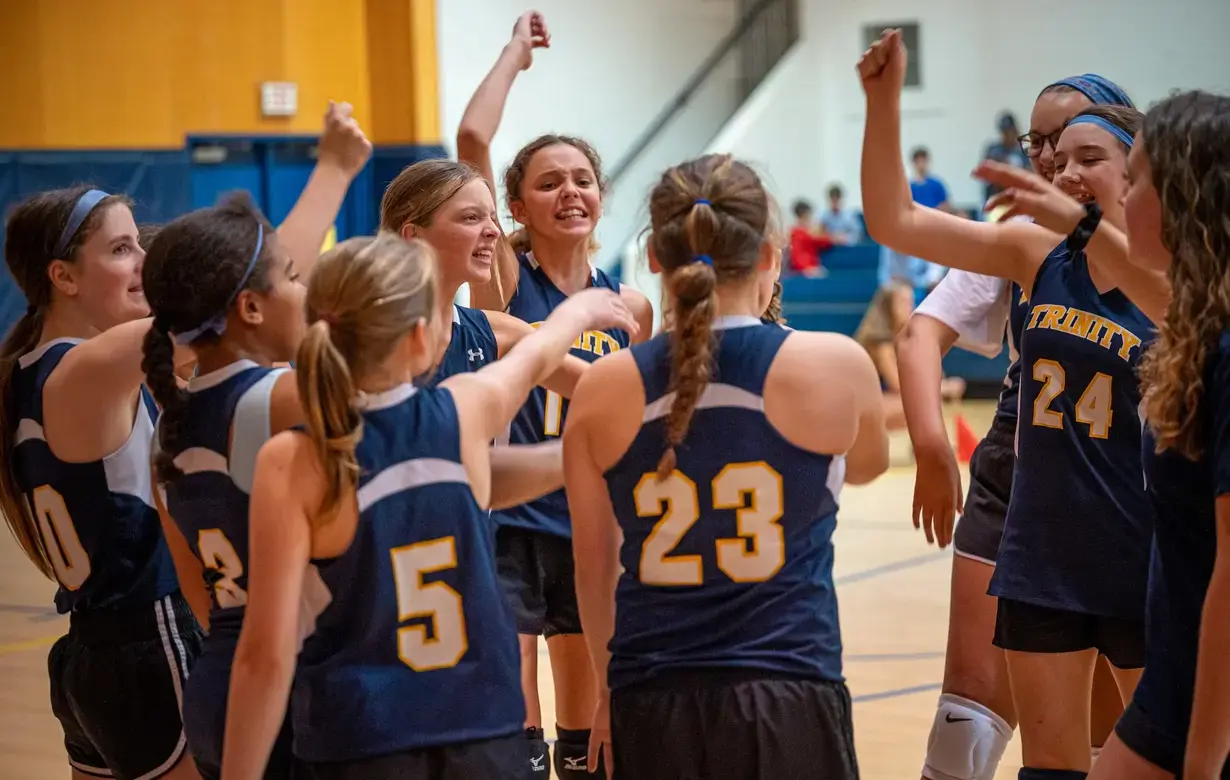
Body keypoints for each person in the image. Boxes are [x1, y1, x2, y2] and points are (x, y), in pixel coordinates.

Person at [218, 232, 638, 780]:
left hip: (359, 739)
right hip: (480, 730)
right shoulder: (463, 410)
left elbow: (264, 660)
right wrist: (578, 313)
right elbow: (535, 355)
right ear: (422, 339)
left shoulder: (293, 461)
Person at [861, 29, 1154, 779]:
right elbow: (897, 228)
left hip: (1142, 536)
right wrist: (885, 103)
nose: (1058, 163)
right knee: (1026, 752)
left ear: (1138, 165)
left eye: (1086, 152)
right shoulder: (1030, 250)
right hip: (1039, 531)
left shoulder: (1174, 271)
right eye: (1048, 147)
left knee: (1146, 752)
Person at [566, 153, 888, 780]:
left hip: (650, 692)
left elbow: (593, 566)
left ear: (654, 257)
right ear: (771, 255)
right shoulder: (836, 365)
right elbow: (870, 464)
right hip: (790, 687)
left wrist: (607, 693)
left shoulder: (602, 387)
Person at [457, 14, 654, 777]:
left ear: (601, 195)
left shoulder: (631, 305)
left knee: (587, 735)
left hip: (592, 520)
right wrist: (513, 57)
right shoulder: (507, 278)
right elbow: (474, 142)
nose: (569, 191)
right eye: (548, 182)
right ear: (517, 208)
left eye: (582, 179)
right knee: (518, 733)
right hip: (509, 516)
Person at [0, 185, 205, 780]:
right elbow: (240, 298)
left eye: (140, 244)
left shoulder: (34, 371)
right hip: (150, 641)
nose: (144, 262)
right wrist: (333, 170)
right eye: (122, 249)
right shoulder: (89, 367)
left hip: (88, 655)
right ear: (63, 276)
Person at [788, 198, 833, 276]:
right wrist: (806, 268)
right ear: (804, 214)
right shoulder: (797, 232)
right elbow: (796, 254)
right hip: (805, 270)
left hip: (812, 266)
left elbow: (825, 242)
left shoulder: (809, 231)